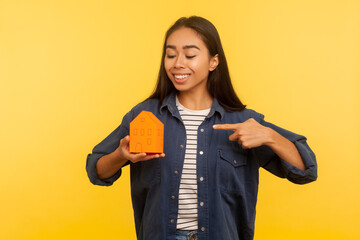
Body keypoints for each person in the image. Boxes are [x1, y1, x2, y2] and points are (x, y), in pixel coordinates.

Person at [86, 16, 317, 240]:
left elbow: (306, 171)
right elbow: (96, 170)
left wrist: (269, 136)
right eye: (170, 55)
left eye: (190, 55)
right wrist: (120, 155)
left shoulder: (244, 121)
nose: (178, 63)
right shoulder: (144, 116)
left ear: (213, 62)